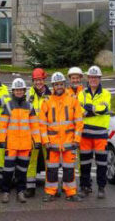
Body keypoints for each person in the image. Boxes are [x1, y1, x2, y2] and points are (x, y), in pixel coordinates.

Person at [39, 72, 83, 202]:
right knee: (51, 170)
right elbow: (42, 124)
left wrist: (76, 140)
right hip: (52, 143)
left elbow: (79, 122)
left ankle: (71, 193)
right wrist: (45, 140)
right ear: (53, 86)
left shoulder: (73, 100)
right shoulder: (47, 102)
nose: (59, 86)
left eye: (61, 84)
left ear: (64, 84)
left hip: (69, 142)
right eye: (56, 84)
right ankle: (50, 193)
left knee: (69, 169)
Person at [0, 78, 41, 204]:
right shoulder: (9, 105)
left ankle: (20, 192)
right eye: (17, 90)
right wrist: (1, 140)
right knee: (8, 171)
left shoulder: (29, 106)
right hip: (11, 144)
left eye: (21, 90)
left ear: (24, 91)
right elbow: (3, 125)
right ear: (13, 91)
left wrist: (37, 140)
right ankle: (6, 192)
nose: (19, 92)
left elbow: (34, 126)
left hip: (25, 145)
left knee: (22, 171)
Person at [77, 65, 111, 199]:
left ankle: (101, 188)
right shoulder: (82, 94)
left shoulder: (106, 93)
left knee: (102, 163)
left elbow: (103, 109)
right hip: (85, 134)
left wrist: (90, 110)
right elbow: (79, 112)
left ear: (100, 78)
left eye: (96, 77)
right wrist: (94, 111)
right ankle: (85, 187)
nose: (93, 80)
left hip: (100, 135)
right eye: (91, 77)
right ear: (88, 78)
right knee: (84, 163)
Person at [26, 68, 50, 197]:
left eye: (40, 80)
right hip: (33, 134)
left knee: (49, 160)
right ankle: (30, 187)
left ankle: (50, 188)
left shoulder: (50, 95)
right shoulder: (29, 95)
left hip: (47, 133)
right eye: (35, 80)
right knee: (32, 161)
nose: (38, 83)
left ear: (44, 80)